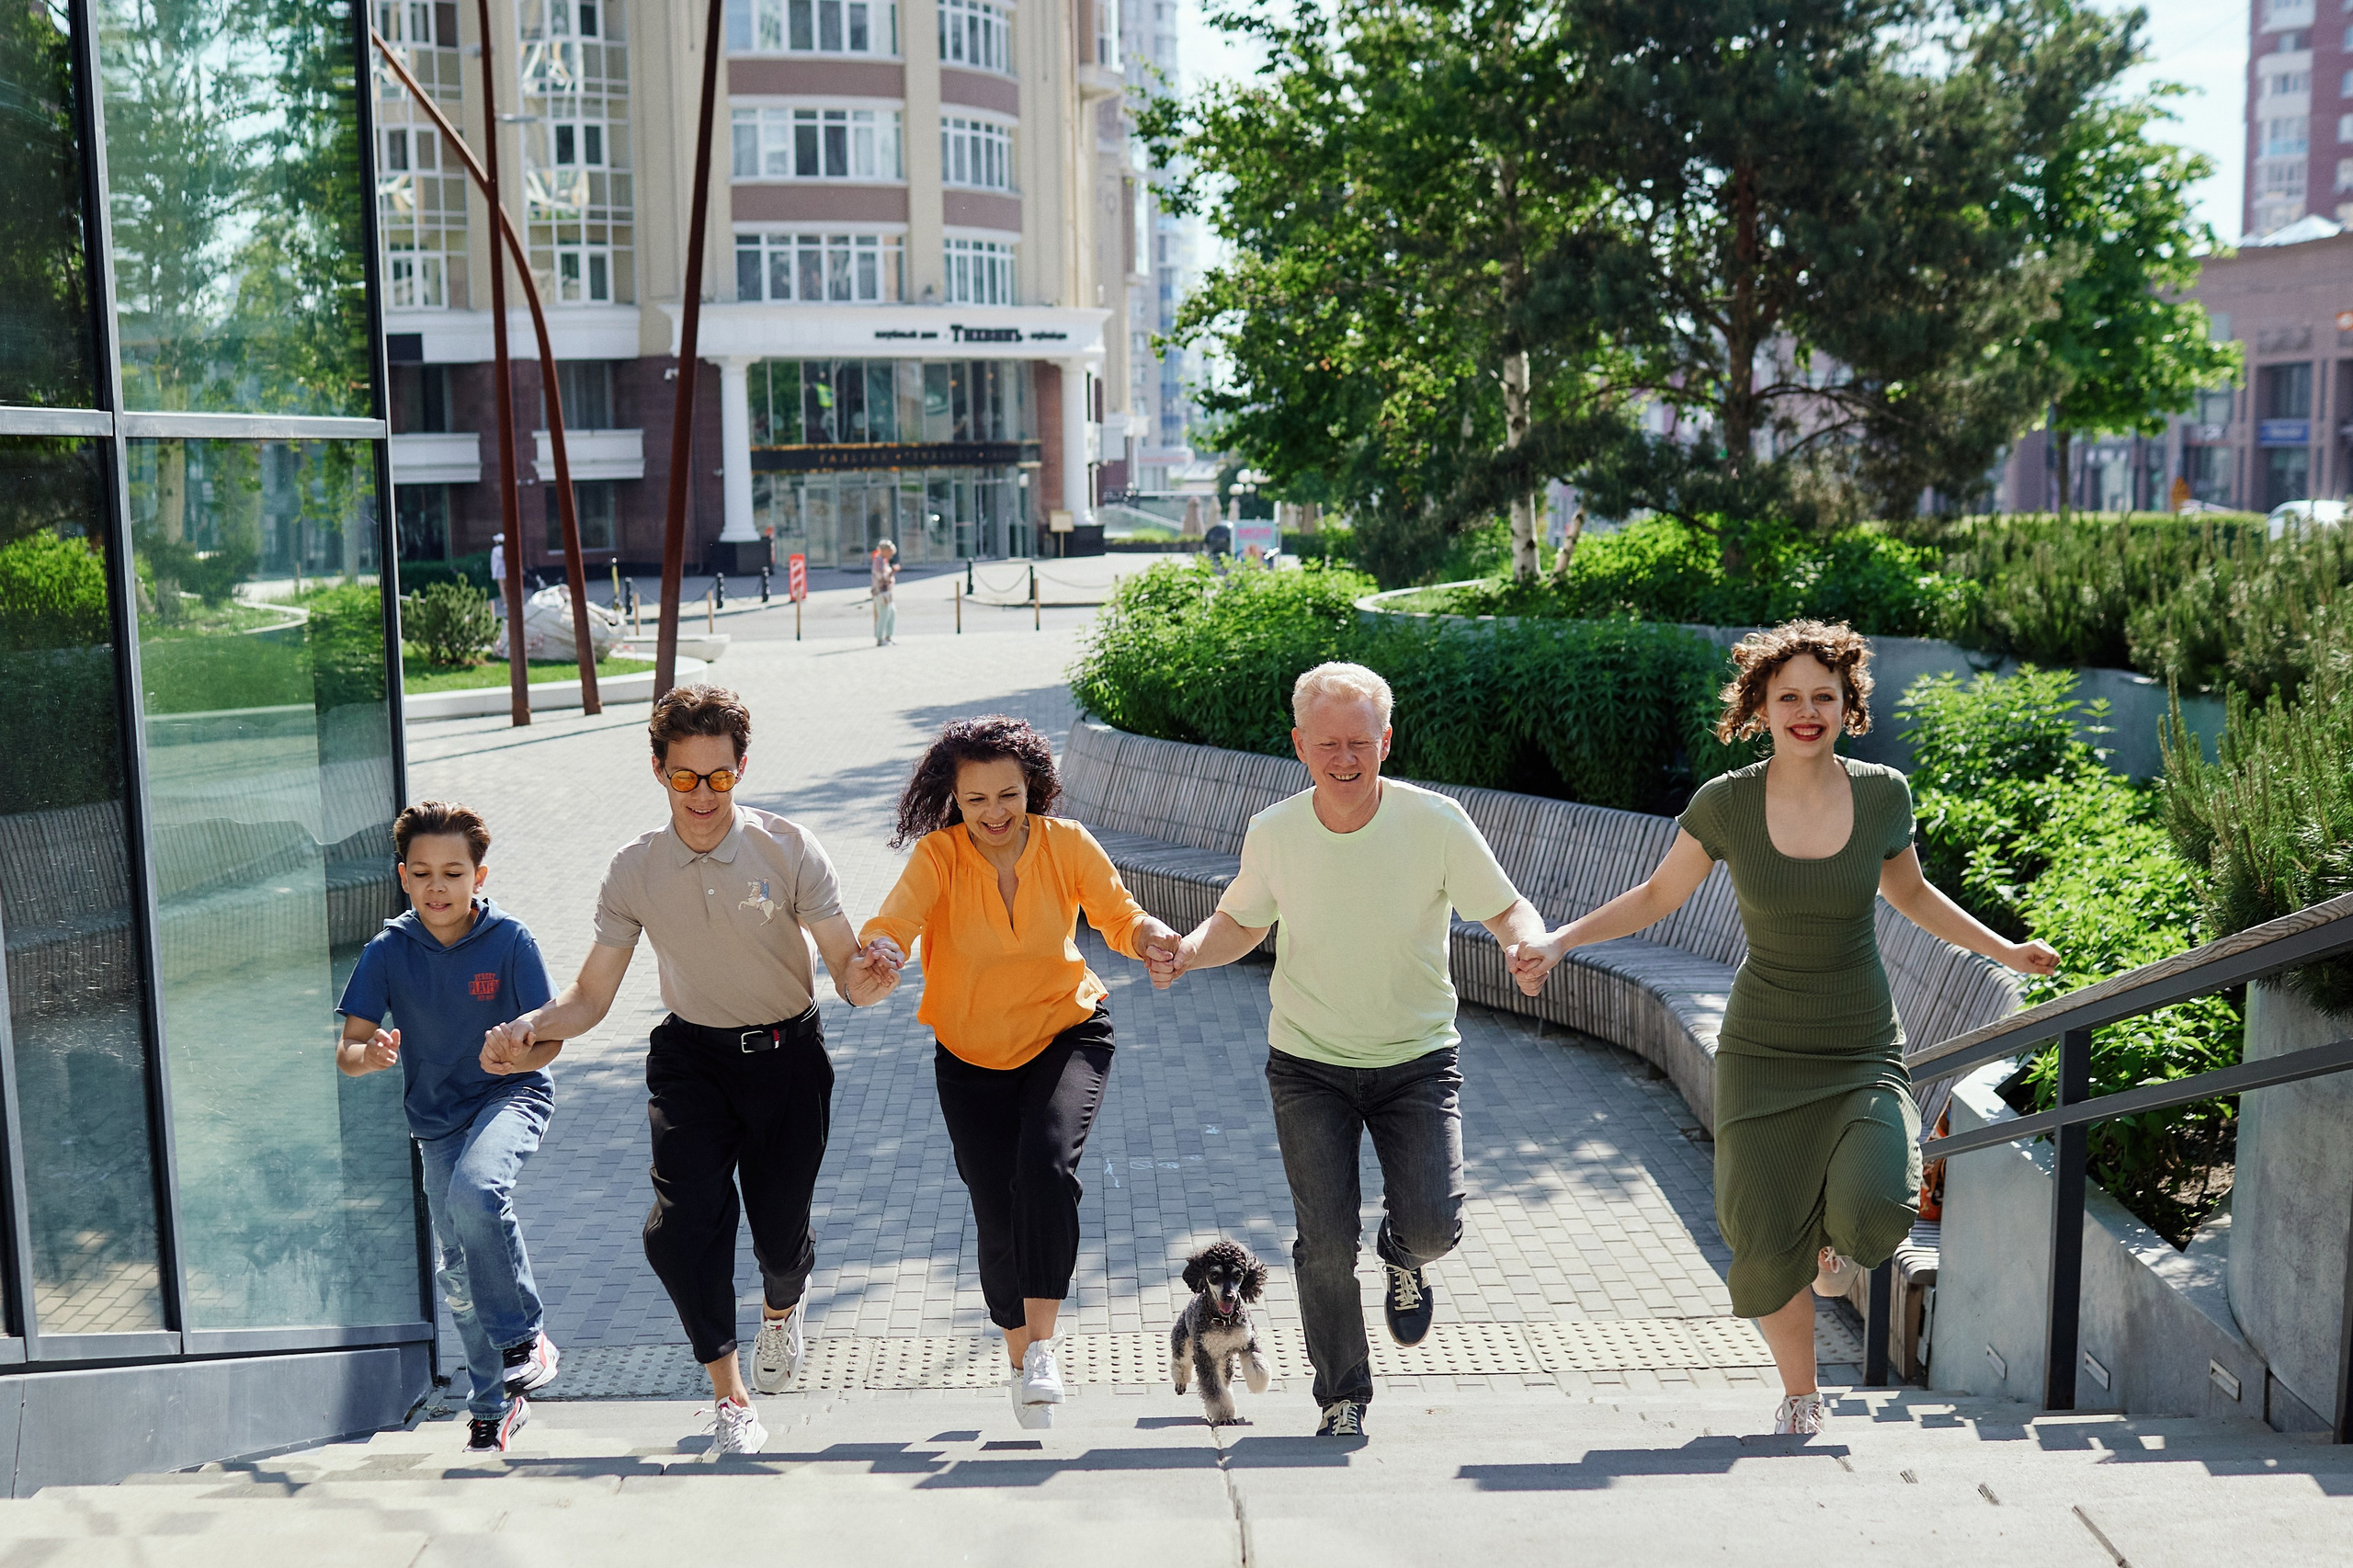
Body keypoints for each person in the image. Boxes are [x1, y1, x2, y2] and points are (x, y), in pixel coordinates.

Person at [1507, 620, 2059, 1437]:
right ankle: (1801, 1397)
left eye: (1823, 697)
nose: (1807, 712)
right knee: (1764, 1235)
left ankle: (1834, 1247)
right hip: (1762, 1052)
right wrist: (1559, 941)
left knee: (1877, 1205)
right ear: (1759, 707)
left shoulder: (1882, 794)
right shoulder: (1727, 803)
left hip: (1860, 1045)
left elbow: (1911, 894)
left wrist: (2003, 949)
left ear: (1848, 706)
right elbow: (1658, 896)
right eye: (1789, 697)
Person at [483, 685, 901, 1458]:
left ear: (742, 769)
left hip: (788, 1058)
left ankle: (782, 1305)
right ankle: (730, 1397)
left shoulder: (789, 849)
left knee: (779, 1238)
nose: (702, 795)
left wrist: (868, 980)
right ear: (658, 770)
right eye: (684, 777)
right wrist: (530, 1026)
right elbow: (590, 998)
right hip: (690, 1061)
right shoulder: (634, 870)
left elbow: (847, 969)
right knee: (682, 1229)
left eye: (719, 776)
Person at [1150, 663, 1548, 1439]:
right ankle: (1342, 1396)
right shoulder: (1275, 831)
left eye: (1358, 742)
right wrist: (1189, 952)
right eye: (1326, 743)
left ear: (1385, 741)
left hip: (1417, 1060)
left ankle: (1403, 1254)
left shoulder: (1436, 822)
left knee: (1432, 1226)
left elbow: (1506, 908)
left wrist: (1526, 943)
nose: (1343, 758)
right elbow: (1242, 922)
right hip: (1308, 1064)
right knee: (1326, 1244)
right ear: (1300, 745)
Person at [860, 717, 1181, 1426]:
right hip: (969, 1058)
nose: (995, 813)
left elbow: (1119, 917)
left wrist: (1152, 937)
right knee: (996, 1211)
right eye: (976, 800)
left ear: (1032, 786)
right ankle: (1019, 1360)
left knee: (1045, 1168)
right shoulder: (939, 857)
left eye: (1008, 795)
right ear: (954, 798)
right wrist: (881, 951)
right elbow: (895, 923)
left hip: (1066, 1031)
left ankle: (1043, 1350)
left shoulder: (1067, 843)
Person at [336, 801, 562, 1455]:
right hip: (437, 1122)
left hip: (511, 1095)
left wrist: (519, 1050)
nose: (438, 887)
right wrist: (371, 1056)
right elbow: (348, 1050)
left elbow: (550, 1039)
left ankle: (525, 1338)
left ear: (478, 876)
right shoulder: (387, 951)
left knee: (477, 1192)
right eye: (423, 873)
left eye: (453, 873)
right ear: (403, 877)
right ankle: (495, 1404)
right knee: (459, 1272)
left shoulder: (511, 940)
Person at [870, 540, 900, 645]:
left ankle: (888, 637)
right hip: (881, 592)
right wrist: (892, 572)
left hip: (886, 592)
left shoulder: (883, 560)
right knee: (883, 615)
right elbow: (880, 576)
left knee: (891, 613)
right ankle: (880, 638)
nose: (891, 554)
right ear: (885, 551)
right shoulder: (879, 560)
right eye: (890, 551)